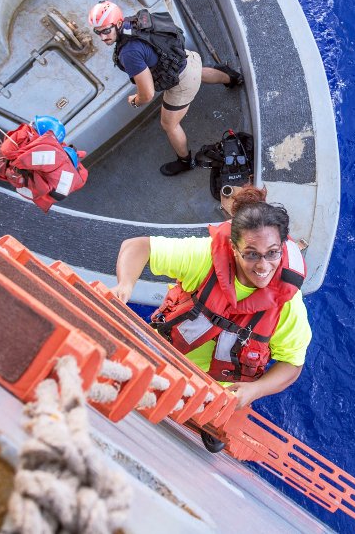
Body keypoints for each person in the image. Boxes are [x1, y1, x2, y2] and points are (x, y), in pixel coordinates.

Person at [110, 186, 311, 451]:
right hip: (160, 355)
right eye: (251, 253)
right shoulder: (205, 257)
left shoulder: (288, 303)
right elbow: (138, 247)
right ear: (233, 247)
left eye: (272, 253)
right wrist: (124, 286)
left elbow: (292, 364)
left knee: (213, 435)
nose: (263, 266)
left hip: (218, 391)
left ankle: (214, 416)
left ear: (283, 248)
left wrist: (255, 390)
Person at [88, 1, 243, 176]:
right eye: (97, 32)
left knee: (169, 124)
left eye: (106, 30)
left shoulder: (129, 54)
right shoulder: (134, 22)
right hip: (187, 59)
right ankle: (232, 78)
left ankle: (185, 161)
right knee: (197, 72)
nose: (102, 37)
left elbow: (147, 94)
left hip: (181, 83)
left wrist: (135, 101)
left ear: (117, 24)